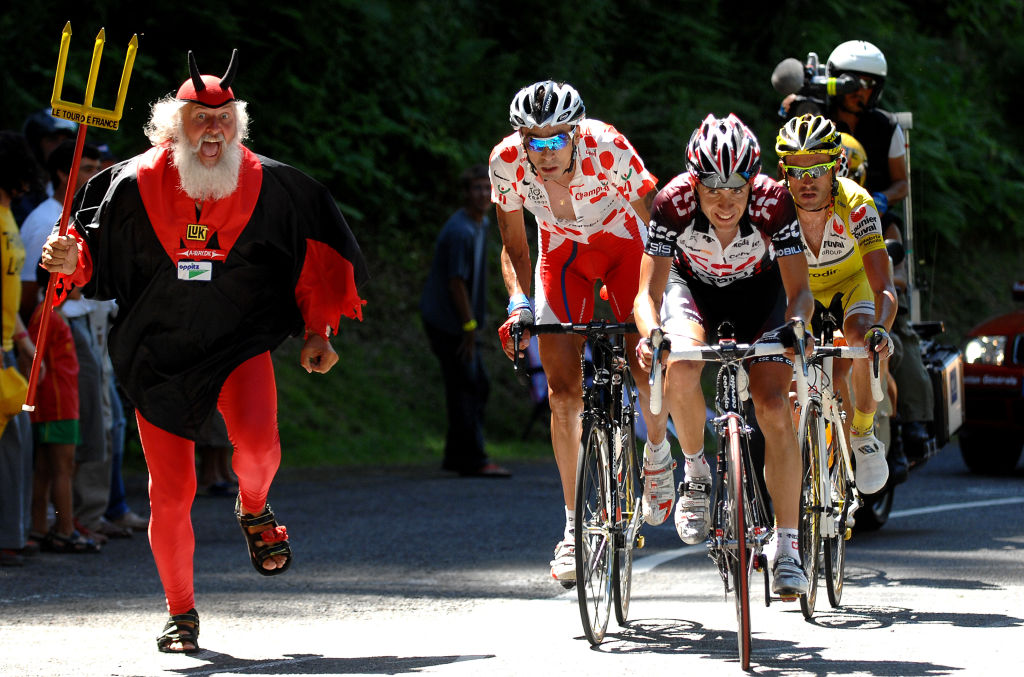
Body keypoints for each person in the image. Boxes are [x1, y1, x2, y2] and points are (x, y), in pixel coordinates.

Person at [39, 50, 368, 653]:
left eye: (224, 120)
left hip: (239, 343)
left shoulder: (273, 185)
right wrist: (68, 260)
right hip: (159, 353)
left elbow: (308, 258)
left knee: (261, 450)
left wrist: (318, 330)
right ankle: (181, 612)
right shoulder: (126, 185)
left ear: (237, 126)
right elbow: (85, 255)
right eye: (200, 119)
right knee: (171, 494)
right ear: (174, 126)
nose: (213, 130)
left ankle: (254, 508)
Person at [490, 81, 670, 584]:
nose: (544, 153)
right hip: (562, 256)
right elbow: (514, 245)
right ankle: (572, 529)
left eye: (556, 140)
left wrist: (663, 292)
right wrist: (519, 304)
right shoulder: (506, 162)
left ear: (576, 134)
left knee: (644, 365)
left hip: (625, 248)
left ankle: (657, 451)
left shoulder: (608, 146)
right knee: (563, 393)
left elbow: (658, 224)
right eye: (534, 141)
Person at [633, 113, 813, 597]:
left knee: (772, 404)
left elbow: (800, 292)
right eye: (713, 189)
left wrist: (797, 327)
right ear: (695, 183)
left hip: (761, 295)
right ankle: (695, 472)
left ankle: (788, 546)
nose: (726, 202)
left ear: (753, 182)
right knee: (682, 364)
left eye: (737, 188)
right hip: (693, 291)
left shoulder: (775, 202)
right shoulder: (672, 203)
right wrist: (653, 336)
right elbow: (646, 294)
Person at [775, 114, 897, 494]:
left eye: (817, 170)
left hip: (850, 284)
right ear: (783, 171)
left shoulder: (857, 204)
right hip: (799, 292)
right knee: (787, 373)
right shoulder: (774, 206)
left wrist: (881, 331)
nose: (807, 181)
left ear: (836, 167)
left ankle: (863, 433)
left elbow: (884, 287)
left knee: (862, 340)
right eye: (797, 171)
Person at [420, 164, 510, 478]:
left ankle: (456, 456)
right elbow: (455, 282)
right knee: (468, 387)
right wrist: (469, 326)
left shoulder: (479, 224)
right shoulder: (460, 231)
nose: (483, 193)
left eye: (487, 187)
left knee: (473, 385)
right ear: (466, 193)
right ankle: (473, 459)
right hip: (449, 323)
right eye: (477, 188)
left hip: (460, 322)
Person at [28, 271, 100, 553]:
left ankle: (41, 528)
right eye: (72, 279)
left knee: (48, 470)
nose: (79, 283)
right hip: (56, 407)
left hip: (61, 405)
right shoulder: (47, 315)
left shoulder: (53, 314)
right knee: (62, 469)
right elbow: (34, 361)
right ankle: (65, 531)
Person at [0, 131, 38, 567]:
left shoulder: (8, 214)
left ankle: (12, 535)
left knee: (17, 445)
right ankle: (9, 537)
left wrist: (25, 343)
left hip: (9, 347)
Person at [19, 139, 102, 321]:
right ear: (64, 174)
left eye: (98, 169)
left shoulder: (85, 216)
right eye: (88, 169)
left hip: (79, 322)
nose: (97, 176)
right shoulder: (45, 221)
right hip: (53, 324)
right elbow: (29, 290)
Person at [825, 40, 907, 224]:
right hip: (820, 215)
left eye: (868, 83)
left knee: (892, 229)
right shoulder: (816, 121)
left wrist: (882, 199)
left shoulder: (887, 126)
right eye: (850, 83)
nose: (859, 91)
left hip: (869, 217)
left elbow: (902, 183)